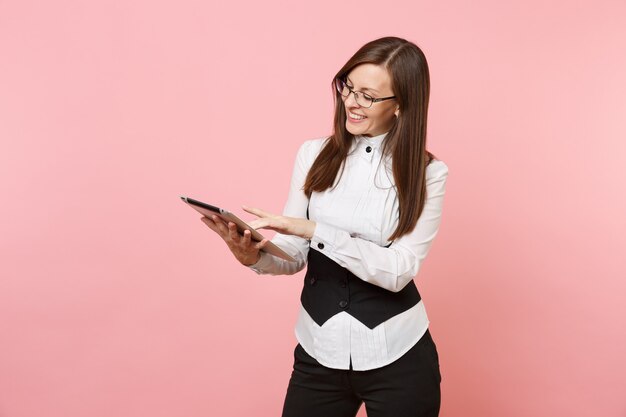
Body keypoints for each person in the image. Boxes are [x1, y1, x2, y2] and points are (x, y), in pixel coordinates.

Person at [200, 36, 449, 417]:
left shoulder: (429, 174)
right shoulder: (313, 154)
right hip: (319, 350)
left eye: (368, 95)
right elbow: (294, 256)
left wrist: (316, 230)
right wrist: (254, 255)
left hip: (398, 354)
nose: (351, 101)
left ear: (400, 105)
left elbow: (398, 271)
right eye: (348, 86)